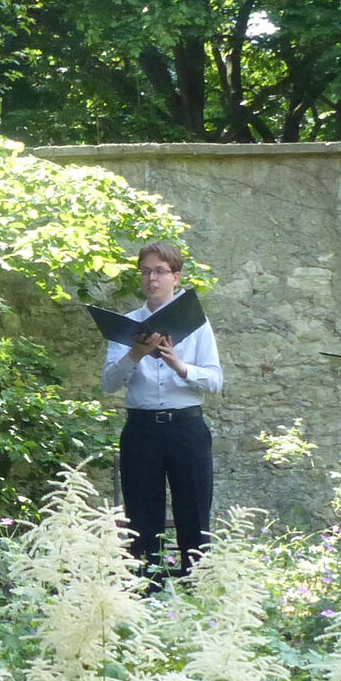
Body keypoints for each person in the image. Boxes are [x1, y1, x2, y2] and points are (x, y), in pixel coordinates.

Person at [102, 240, 223, 577]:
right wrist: (135, 355)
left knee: (195, 513)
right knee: (141, 515)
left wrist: (181, 367)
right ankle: (147, 590)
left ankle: (197, 587)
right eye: (145, 272)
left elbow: (215, 381)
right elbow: (109, 384)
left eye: (159, 271)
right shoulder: (125, 325)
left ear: (176, 277)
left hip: (187, 428)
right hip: (141, 430)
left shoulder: (197, 324)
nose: (151, 279)